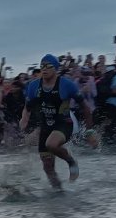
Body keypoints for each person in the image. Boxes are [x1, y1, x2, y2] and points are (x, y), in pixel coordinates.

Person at [19, 54, 94, 190]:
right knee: (48, 168)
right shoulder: (34, 86)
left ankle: (71, 162)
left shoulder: (67, 85)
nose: (44, 69)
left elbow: (85, 107)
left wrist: (89, 131)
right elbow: (27, 107)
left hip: (64, 123)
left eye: (48, 66)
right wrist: (24, 118)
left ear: (56, 69)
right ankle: (58, 192)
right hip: (45, 126)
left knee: (51, 144)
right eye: (42, 66)